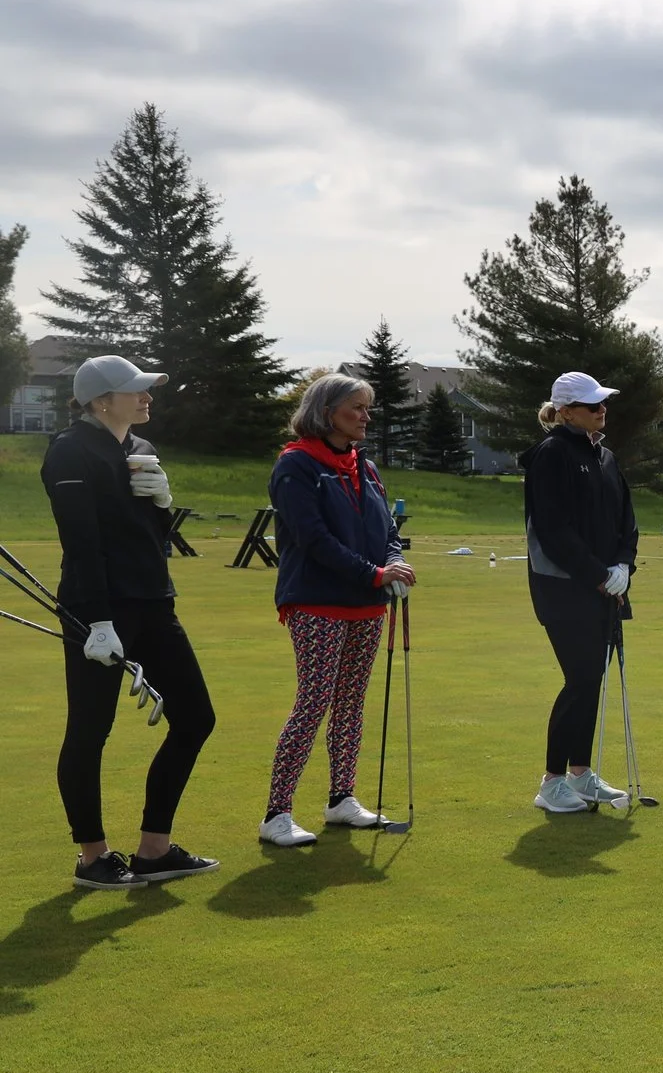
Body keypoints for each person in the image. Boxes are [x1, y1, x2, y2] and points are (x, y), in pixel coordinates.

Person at [41, 355, 220, 889]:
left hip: (153, 602)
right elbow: (84, 541)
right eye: (135, 391)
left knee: (195, 718)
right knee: (90, 731)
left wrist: (162, 504)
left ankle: (154, 850)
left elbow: (150, 535)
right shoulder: (70, 450)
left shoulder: (141, 450)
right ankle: (93, 856)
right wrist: (97, 620)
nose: (147, 399)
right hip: (95, 609)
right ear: (101, 401)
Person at [259, 373, 415, 846]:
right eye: (356, 408)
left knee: (350, 703)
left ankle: (341, 799)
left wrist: (394, 561)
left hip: (366, 604)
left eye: (368, 408)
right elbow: (313, 538)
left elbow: (387, 528)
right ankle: (276, 812)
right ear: (328, 412)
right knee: (314, 702)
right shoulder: (297, 466)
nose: (366, 417)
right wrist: (373, 573)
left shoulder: (363, 465)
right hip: (316, 600)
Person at [520, 371, 639, 814]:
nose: (601, 410)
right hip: (564, 587)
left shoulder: (605, 456)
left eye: (602, 404)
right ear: (566, 411)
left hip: (607, 585)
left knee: (593, 681)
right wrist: (598, 574)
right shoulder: (551, 456)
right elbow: (553, 532)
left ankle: (581, 773)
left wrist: (624, 566)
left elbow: (627, 519)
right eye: (592, 406)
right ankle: (551, 781)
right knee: (581, 679)